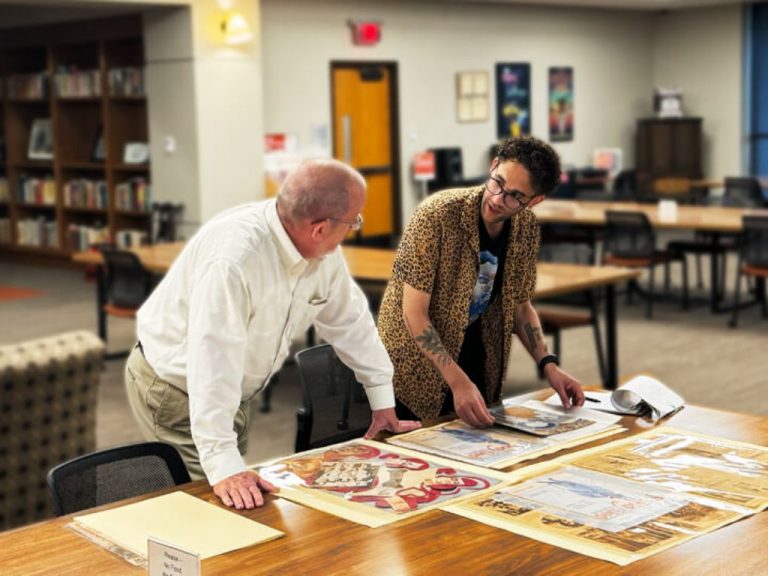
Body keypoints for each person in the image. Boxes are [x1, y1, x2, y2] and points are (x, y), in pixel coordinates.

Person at [125, 158, 420, 510]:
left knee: (240, 498)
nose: (355, 228)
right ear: (320, 228)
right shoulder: (234, 260)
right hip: (177, 388)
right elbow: (212, 360)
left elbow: (350, 321)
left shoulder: (323, 253)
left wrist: (382, 401)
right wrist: (222, 461)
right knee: (214, 508)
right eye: (354, 221)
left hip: (229, 393)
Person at [377, 136, 584, 426]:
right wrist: (457, 382)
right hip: (412, 364)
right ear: (493, 165)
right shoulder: (437, 216)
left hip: (474, 348)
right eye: (497, 182)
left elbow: (521, 307)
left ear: (535, 201)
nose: (498, 199)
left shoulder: (524, 229)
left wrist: (548, 364)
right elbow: (414, 313)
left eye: (515, 196)